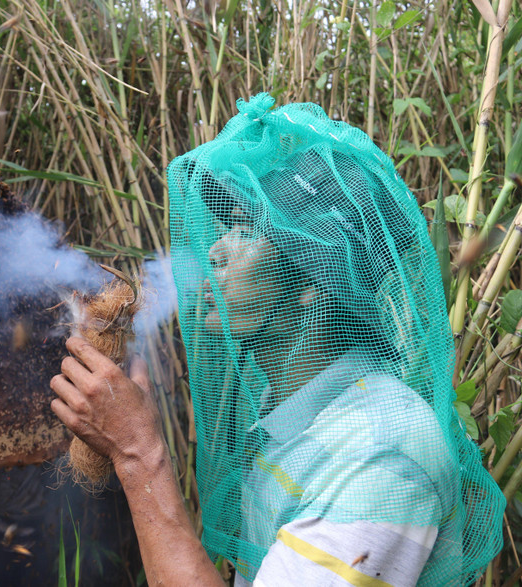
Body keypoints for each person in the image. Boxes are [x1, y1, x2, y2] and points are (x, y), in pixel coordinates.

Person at [50, 93, 504, 585]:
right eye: (228, 226)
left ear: (313, 284)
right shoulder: (288, 407)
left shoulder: (379, 453)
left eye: (249, 230)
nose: (218, 247)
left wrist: (139, 452)